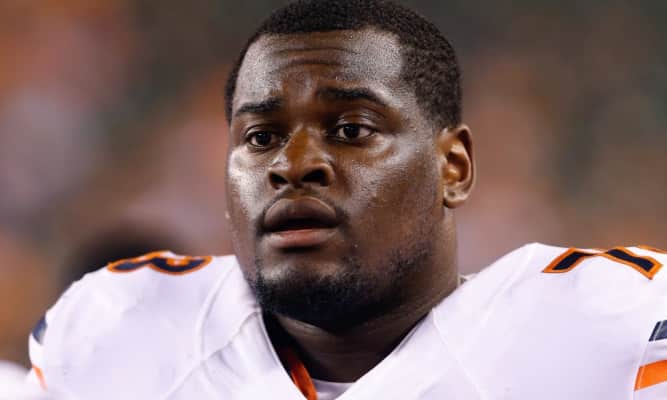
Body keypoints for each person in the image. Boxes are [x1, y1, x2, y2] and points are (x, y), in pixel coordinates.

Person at [26, 1, 667, 399]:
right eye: (261, 137)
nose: (293, 165)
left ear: (453, 168)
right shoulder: (122, 331)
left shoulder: (609, 333)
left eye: (351, 130)